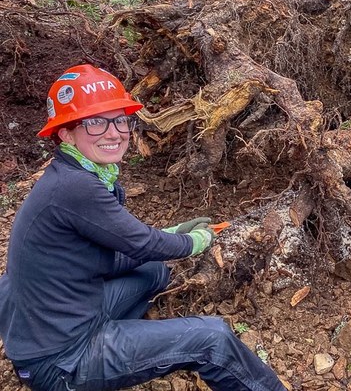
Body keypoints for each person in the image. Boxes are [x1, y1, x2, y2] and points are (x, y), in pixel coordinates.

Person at [0, 64, 286, 391]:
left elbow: (111, 255)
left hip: (49, 323)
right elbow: (140, 243)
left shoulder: (69, 176)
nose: (114, 132)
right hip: (62, 359)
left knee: (154, 272)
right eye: (95, 122)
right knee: (213, 339)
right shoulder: (74, 188)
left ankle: (126, 348)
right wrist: (194, 241)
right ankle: (109, 357)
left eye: (119, 119)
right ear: (65, 133)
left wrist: (173, 232)